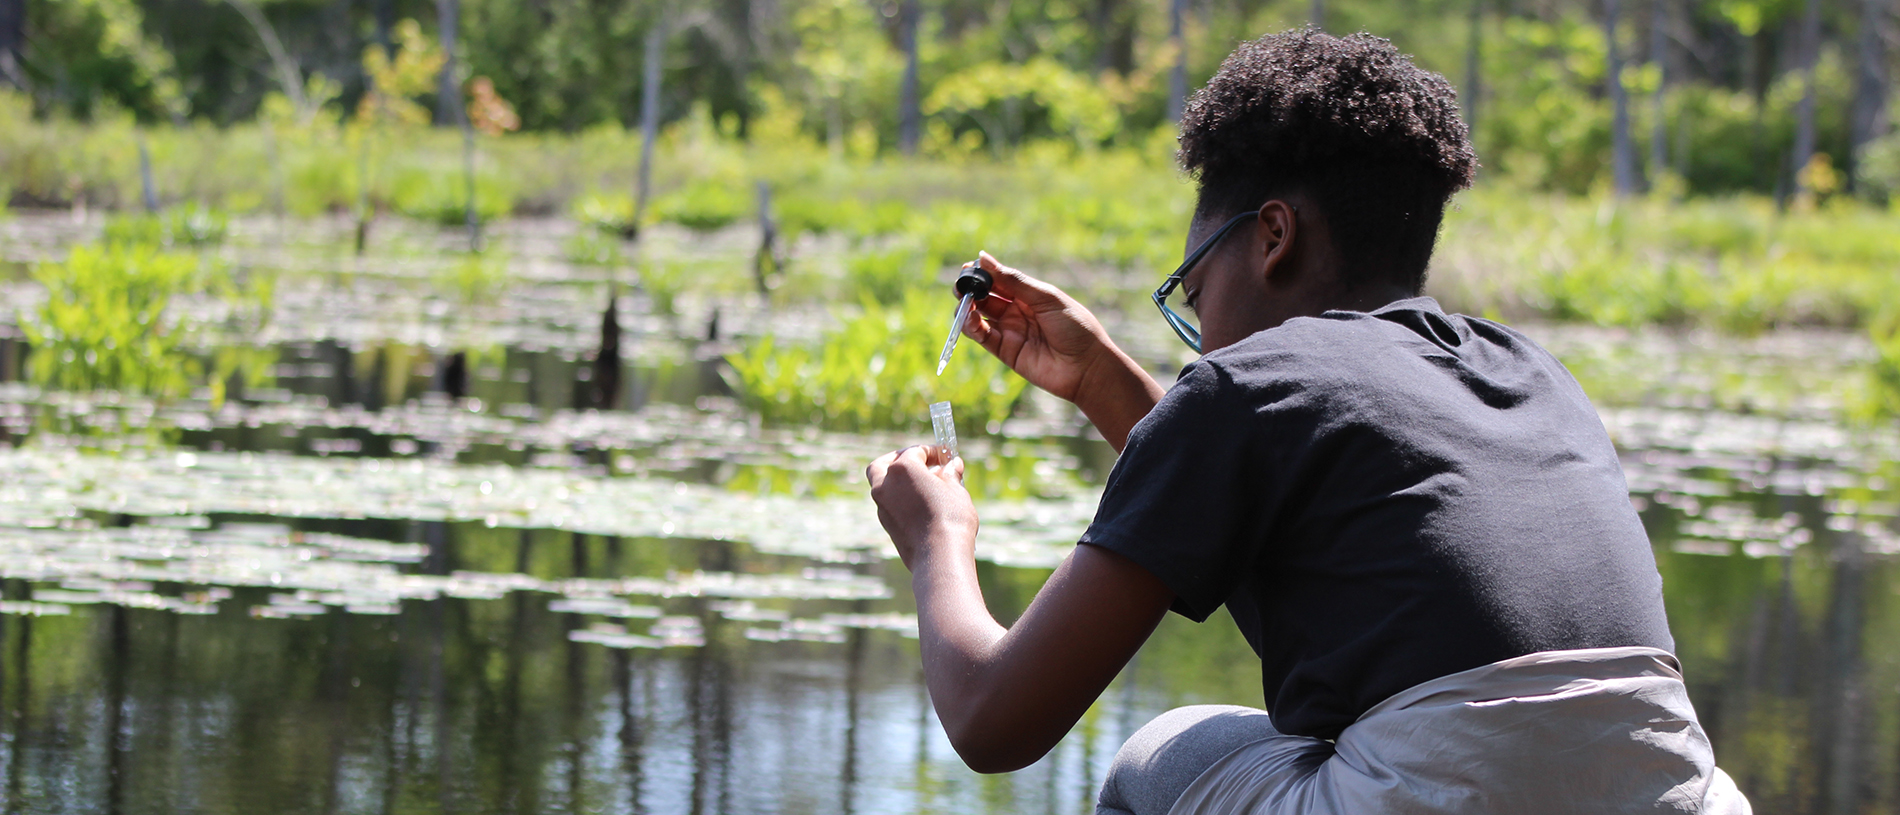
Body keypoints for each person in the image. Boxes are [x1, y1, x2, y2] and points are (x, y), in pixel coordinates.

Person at [865, 29, 1750, 815]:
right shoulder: (1533, 374)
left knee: (1158, 753)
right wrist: (1099, 374)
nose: (1201, 330)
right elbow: (1302, 562)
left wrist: (936, 538)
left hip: (1435, 793)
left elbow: (993, 721)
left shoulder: (1247, 384)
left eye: (1195, 292)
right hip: (1677, 791)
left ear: (1273, 236)